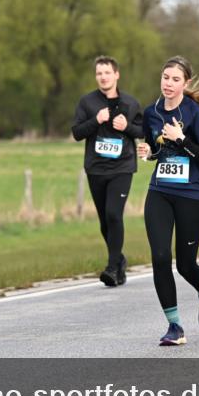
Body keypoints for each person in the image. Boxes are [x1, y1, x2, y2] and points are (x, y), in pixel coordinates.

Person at [137, 57, 199, 346]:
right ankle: (174, 326)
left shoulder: (193, 113)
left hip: (192, 196)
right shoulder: (152, 112)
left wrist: (182, 139)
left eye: (174, 79)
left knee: (185, 265)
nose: (168, 83)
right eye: (165, 77)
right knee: (160, 257)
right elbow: (156, 150)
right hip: (160, 192)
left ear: (185, 83)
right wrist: (148, 152)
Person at [70, 56, 143, 286]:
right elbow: (77, 132)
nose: (103, 77)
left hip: (122, 167)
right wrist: (96, 119)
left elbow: (142, 131)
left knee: (114, 214)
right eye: (99, 73)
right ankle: (119, 260)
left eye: (107, 73)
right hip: (96, 168)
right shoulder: (87, 102)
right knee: (104, 221)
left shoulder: (130, 103)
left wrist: (127, 127)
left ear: (116, 75)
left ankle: (112, 268)